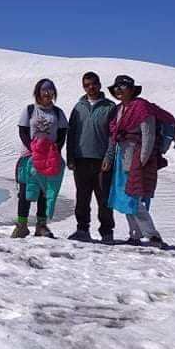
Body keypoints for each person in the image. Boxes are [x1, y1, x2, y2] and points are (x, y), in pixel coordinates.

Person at [102, 74, 167, 248]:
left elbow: (148, 135)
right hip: (122, 159)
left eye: (122, 86)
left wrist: (142, 160)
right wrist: (109, 157)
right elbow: (114, 136)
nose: (118, 90)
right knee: (125, 199)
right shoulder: (119, 109)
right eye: (116, 87)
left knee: (134, 200)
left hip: (136, 160)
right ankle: (135, 234)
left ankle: (152, 236)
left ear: (132, 89)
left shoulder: (142, 108)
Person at [12, 78, 68, 239]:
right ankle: (22, 225)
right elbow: (23, 131)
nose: (47, 93)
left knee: (44, 191)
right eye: (44, 90)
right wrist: (33, 149)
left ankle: (41, 225)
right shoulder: (30, 110)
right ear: (38, 92)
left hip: (49, 158)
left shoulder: (58, 113)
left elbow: (62, 133)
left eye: (50, 90)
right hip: (29, 157)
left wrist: (55, 149)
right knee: (25, 192)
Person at [65, 72, 116, 243]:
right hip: (80, 160)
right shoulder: (79, 107)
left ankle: (107, 232)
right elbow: (71, 133)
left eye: (93, 84)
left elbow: (113, 136)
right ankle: (82, 230)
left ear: (100, 85)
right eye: (87, 85)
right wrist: (70, 156)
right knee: (82, 197)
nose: (90, 87)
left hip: (102, 161)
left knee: (104, 198)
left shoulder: (110, 107)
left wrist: (109, 157)